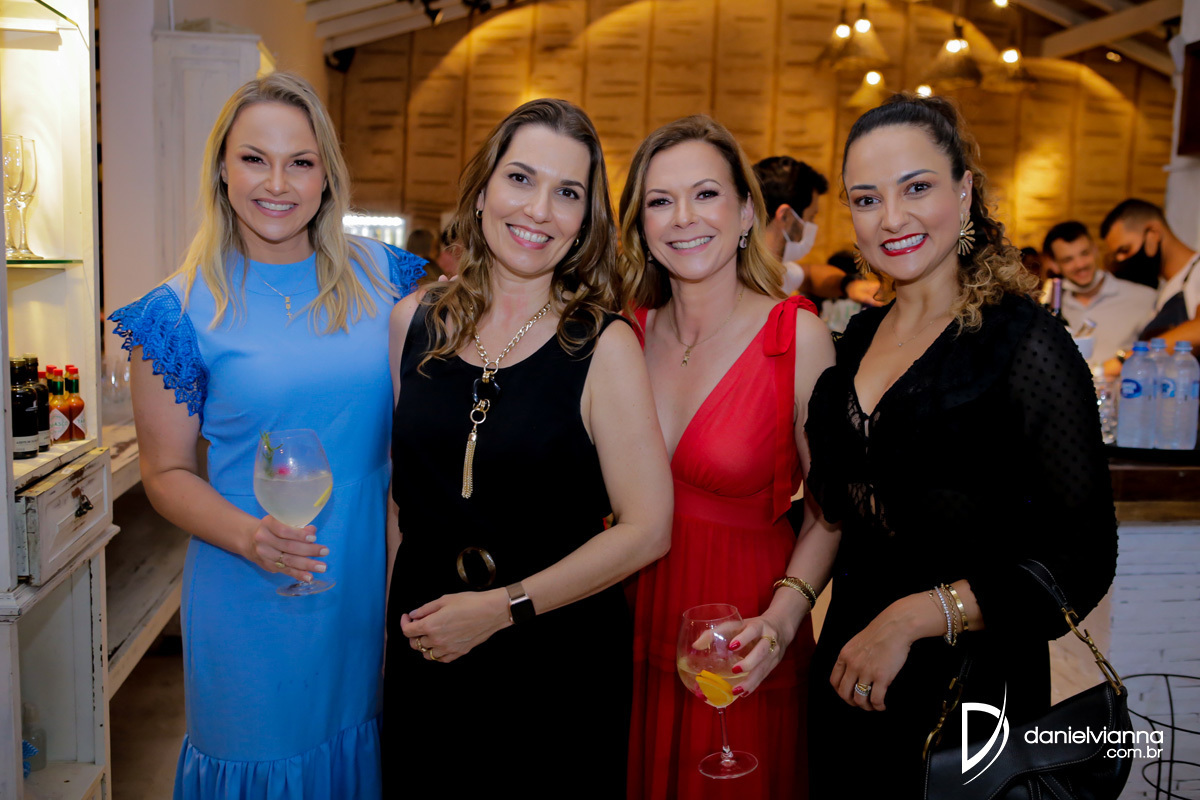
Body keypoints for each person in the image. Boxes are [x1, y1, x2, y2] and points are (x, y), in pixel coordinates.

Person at [108, 73, 426, 798]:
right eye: (254, 158)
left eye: (300, 162)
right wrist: (252, 538)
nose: (277, 183)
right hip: (248, 590)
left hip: (368, 582)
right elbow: (165, 473)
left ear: (327, 176)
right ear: (222, 169)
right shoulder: (175, 312)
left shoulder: (389, 281)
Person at [804, 94, 1118, 798]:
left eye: (916, 187)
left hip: (970, 693)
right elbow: (842, 512)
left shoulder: (1024, 343)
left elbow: (1084, 559)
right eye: (867, 199)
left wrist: (912, 616)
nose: (892, 218)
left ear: (965, 190)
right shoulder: (857, 338)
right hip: (849, 667)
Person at [383, 98, 673, 796]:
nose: (539, 210)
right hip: (426, 635)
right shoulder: (412, 322)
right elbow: (402, 500)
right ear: (483, 191)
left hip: (554, 650)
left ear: (585, 220)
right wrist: (389, 636)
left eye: (567, 192)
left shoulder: (603, 344)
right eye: (520, 179)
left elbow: (648, 528)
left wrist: (501, 608)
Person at [620, 116, 840, 800]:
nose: (683, 217)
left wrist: (781, 621)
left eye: (706, 194)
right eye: (660, 200)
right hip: (626, 621)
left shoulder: (797, 336)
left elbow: (830, 514)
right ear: (641, 226)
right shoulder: (625, 333)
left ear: (747, 212)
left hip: (740, 635)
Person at [753, 155, 881, 306]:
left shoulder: (775, 271)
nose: (812, 225)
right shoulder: (746, 284)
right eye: (811, 217)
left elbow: (810, 276)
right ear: (785, 216)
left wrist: (848, 284)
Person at [1042, 220, 1155, 367]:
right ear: (1055, 265)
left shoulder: (1143, 297)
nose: (1080, 265)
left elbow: (1161, 349)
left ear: (1095, 250)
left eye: (1085, 253)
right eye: (1068, 260)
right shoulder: (1050, 311)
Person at [1101, 198, 1200, 349]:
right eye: (1117, 255)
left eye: (1125, 250)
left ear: (1154, 233)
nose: (1122, 260)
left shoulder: (1197, 271)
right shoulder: (1165, 291)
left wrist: (1129, 357)